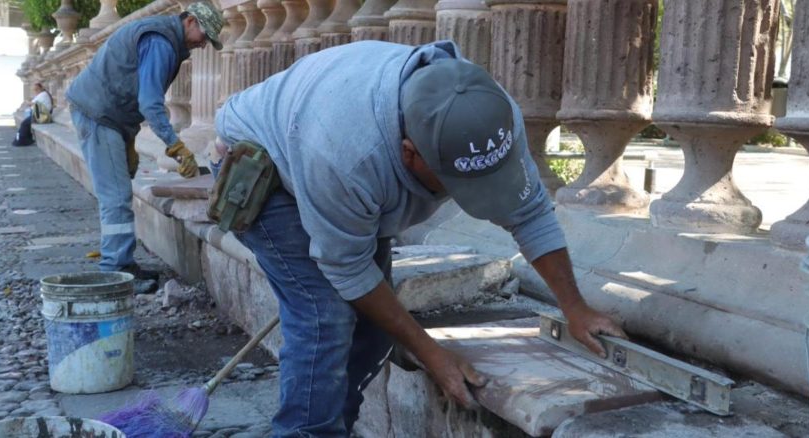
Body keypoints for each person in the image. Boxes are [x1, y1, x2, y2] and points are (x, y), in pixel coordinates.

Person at [213, 40, 628, 436]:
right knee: (326, 316)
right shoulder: (346, 157)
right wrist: (432, 353)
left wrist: (576, 308)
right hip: (264, 166)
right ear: (409, 152)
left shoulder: (487, 115)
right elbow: (348, 268)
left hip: (340, 159)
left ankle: (333, 425)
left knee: (374, 330)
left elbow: (531, 212)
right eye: (455, 182)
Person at [65, 1, 224, 293]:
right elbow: (149, 102)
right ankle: (115, 270)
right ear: (189, 21)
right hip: (99, 114)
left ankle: (122, 263)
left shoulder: (164, 39)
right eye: (204, 35)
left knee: (119, 190)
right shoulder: (162, 42)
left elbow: (129, 88)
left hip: (107, 116)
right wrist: (176, 146)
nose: (204, 44)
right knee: (116, 197)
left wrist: (129, 139)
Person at [12, 82, 53, 147]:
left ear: (41, 88)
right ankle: (25, 139)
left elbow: (31, 103)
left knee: (24, 124)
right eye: (35, 89)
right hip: (39, 115)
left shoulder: (43, 94)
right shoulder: (42, 94)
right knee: (26, 123)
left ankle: (21, 140)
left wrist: (27, 101)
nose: (36, 91)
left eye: (37, 89)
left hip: (41, 116)